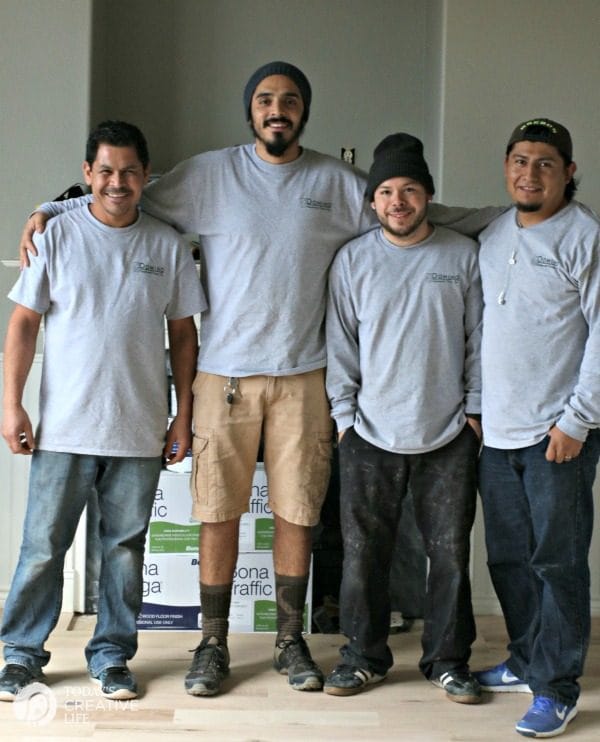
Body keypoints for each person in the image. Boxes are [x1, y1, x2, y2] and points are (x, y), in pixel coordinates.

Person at [18, 61, 499, 697]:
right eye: (266, 100)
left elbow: (407, 206)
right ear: (251, 112)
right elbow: (126, 192)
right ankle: (212, 643)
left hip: (305, 379)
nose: (278, 109)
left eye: (291, 100)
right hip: (224, 378)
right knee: (218, 513)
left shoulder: (335, 181)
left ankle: (289, 640)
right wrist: (51, 207)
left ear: (304, 111)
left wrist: (512, 220)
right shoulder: (209, 174)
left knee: (297, 514)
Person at [0, 120, 206, 702]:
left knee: (123, 551)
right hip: (64, 427)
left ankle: (113, 655)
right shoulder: (56, 236)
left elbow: (184, 337)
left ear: (146, 176)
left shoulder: (166, 245)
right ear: (87, 174)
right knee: (43, 547)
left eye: (130, 172)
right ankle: (20, 656)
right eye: (106, 171)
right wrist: (10, 402)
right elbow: (23, 323)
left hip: (138, 430)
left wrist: (182, 415)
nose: (118, 183)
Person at [324, 133, 483, 704]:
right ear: (372, 201)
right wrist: (344, 418)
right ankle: (362, 657)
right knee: (364, 554)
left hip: (448, 435)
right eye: (387, 190)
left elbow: (478, 341)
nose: (398, 200)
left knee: (449, 554)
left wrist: (476, 414)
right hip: (368, 433)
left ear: (428, 196)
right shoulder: (352, 261)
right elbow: (340, 346)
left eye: (410, 189)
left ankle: (447, 660)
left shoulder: (462, 256)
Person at [474, 118, 600, 738]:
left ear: (569, 172)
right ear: (506, 167)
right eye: (520, 160)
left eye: (546, 163)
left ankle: (557, 688)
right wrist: (476, 405)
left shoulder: (586, 237)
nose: (531, 173)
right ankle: (526, 661)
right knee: (509, 559)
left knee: (558, 561)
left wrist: (579, 419)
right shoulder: (494, 235)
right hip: (497, 435)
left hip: (560, 434)